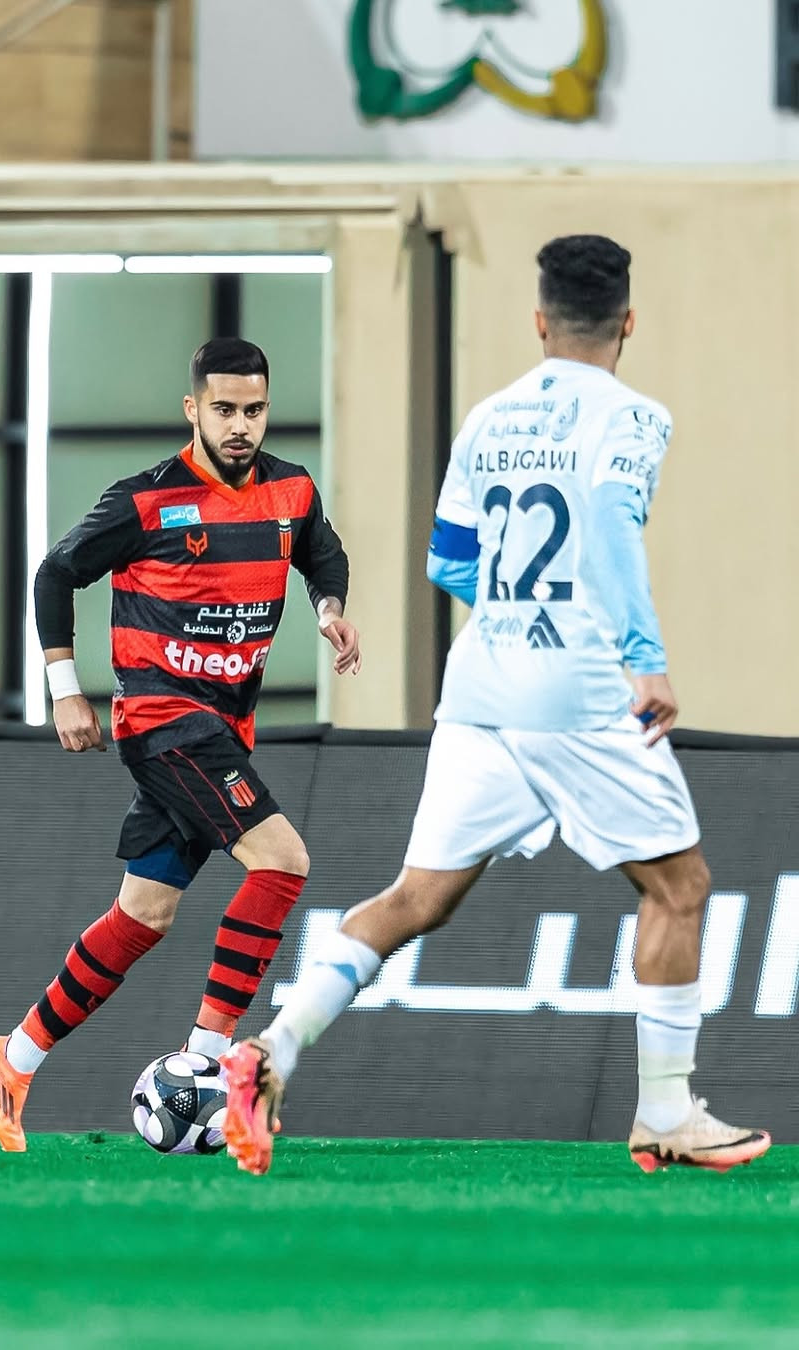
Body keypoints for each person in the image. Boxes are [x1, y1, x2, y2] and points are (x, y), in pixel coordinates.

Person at [221, 235, 771, 1177]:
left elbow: (447, 561)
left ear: (539, 321)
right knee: (679, 888)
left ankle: (271, 1050)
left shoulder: (488, 418)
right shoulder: (634, 417)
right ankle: (665, 1115)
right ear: (628, 322)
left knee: (416, 898)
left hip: (480, 687)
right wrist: (643, 660)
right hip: (578, 692)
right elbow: (609, 522)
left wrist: (516, 617)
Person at [0, 336, 360, 1152]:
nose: (240, 425)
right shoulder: (145, 502)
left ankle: (15, 1056)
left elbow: (322, 553)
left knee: (143, 913)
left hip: (225, 730)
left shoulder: (291, 490)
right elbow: (54, 573)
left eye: (254, 409)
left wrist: (328, 609)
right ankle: (212, 1062)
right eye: (224, 409)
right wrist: (66, 690)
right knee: (282, 863)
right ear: (193, 410)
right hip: (163, 722)